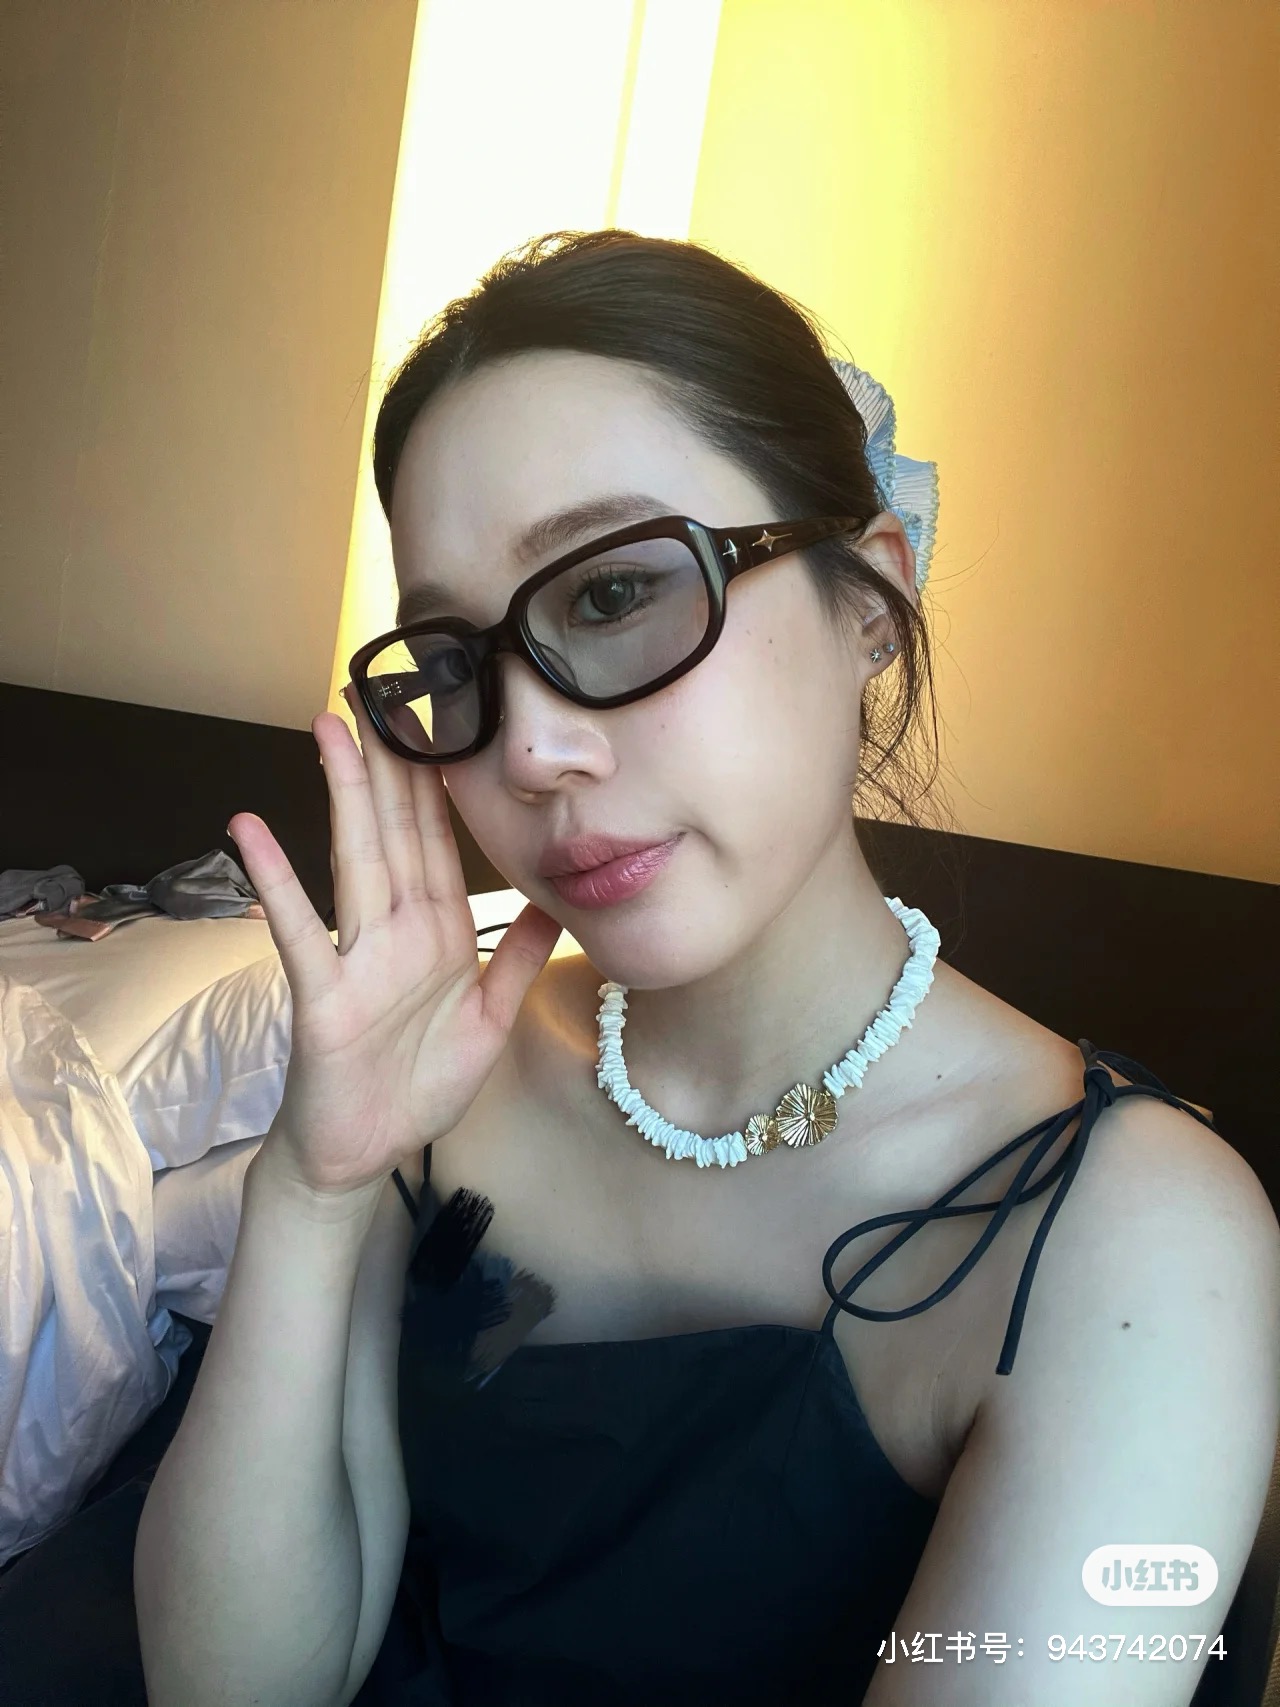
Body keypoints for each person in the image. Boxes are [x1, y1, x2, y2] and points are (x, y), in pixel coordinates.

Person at [124, 230, 1277, 1706]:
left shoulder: (1130, 1233)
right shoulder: (446, 1091)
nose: (530, 750)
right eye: (457, 666)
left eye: (613, 597)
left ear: (871, 597)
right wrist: (309, 1188)